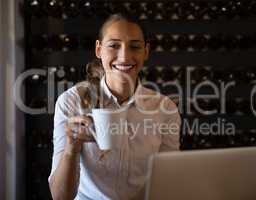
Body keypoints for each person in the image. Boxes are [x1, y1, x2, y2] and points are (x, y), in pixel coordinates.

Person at [48, 13, 181, 200]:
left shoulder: (165, 108)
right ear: (98, 50)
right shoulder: (71, 103)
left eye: (135, 46)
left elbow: (169, 182)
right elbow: (60, 197)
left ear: (146, 52)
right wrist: (72, 146)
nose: (125, 56)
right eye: (114, 45)